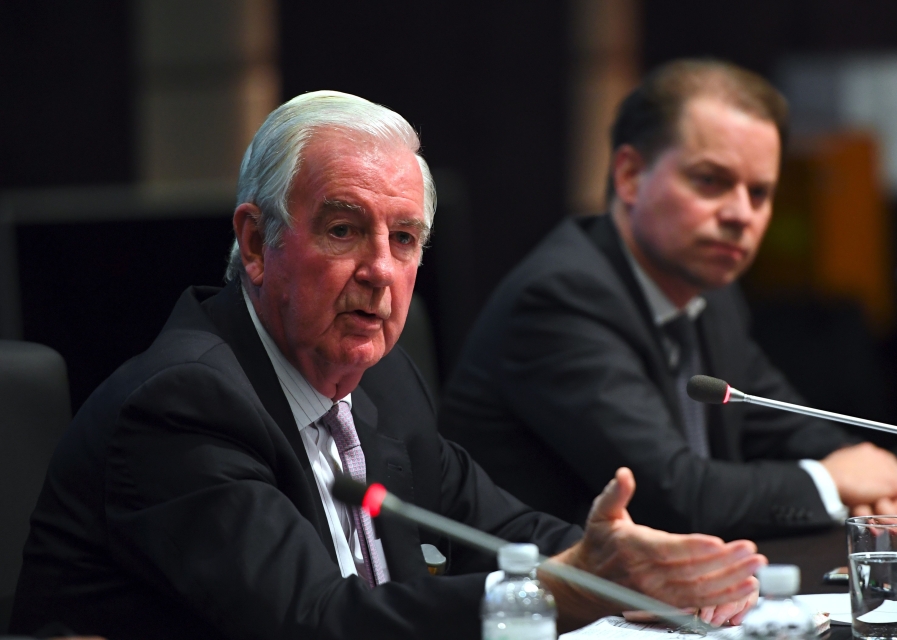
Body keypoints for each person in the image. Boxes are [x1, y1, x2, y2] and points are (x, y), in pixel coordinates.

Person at [10, 91, 766, 640]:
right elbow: (310, 623)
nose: (380, 268)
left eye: (405, 239)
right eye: (344, 229)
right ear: (254, 243)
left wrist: (631, 563)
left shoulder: (383, 380)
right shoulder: (184, 404)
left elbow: (497, 527)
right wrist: (567, 590)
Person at [438, 59, 897, 540]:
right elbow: (674, 495)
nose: (741, 214)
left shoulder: (711, 292)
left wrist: (864, 471)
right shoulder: (560, 298)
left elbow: (780, 422)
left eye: (759, 192)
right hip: (538, 602)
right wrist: (830, 480)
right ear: (629, 176)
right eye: (710, 180)